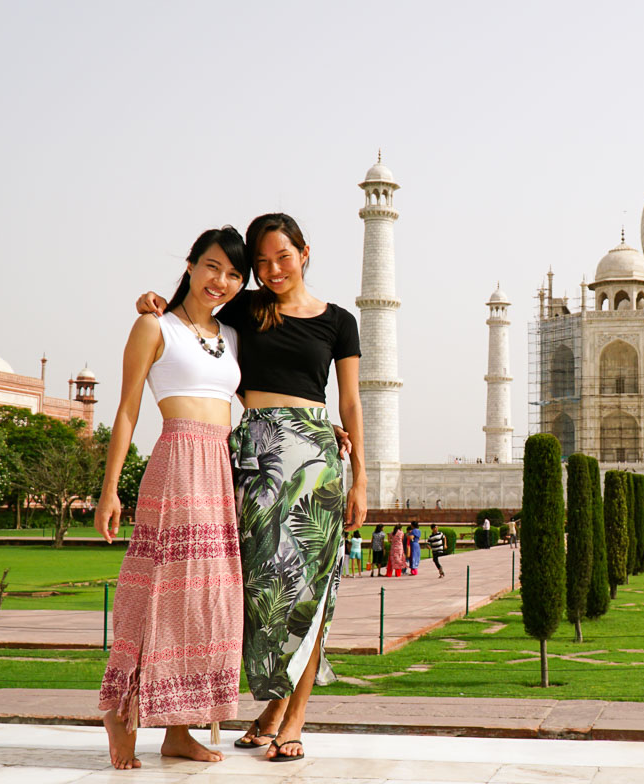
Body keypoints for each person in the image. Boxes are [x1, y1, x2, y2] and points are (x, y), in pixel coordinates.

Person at [137, 213, 365, 764]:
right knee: (259, 592)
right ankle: (269, 705)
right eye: (260, 263)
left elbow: (352, 401)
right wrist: (153, 303)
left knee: (311, 595)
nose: (271, 270)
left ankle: (295, 718)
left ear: (305, 253)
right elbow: (197, 325)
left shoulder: (338, 321)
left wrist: (362, 480)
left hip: (316, 458)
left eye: (282, 258)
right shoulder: (247, 307)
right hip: (255, 458)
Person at [96, 227, 250, 770]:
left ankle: (178, 728)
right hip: (179, 462)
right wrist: (110, 488)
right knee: (160, 590)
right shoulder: (154, 326)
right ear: (189, 265)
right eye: (212, 267)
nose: (221, 281)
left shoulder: (232, 335)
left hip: (221, 469)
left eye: (233, 274)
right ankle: (121, 711)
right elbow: (126, 410)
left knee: (208, 602)